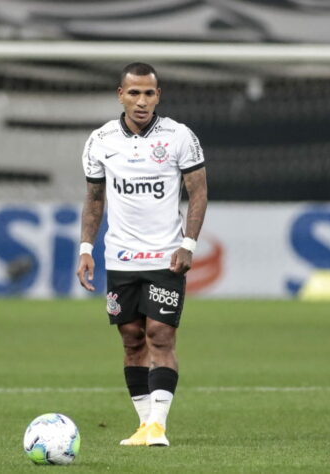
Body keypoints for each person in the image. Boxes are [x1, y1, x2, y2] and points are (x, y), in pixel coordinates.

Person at [76, 62, 207, 447]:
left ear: (158, 96)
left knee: (160, 335)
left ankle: (159, 427)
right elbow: (94, 199)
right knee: (132, 339)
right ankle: (144, 425)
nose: (142, 101)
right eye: (134, 93)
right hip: (120, 259)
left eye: (149, 93)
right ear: (120, 94)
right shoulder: (100, 140)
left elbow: (198, 192)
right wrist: (87, 249)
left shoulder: (180, 137)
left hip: (167, 257)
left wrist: (189, 244)